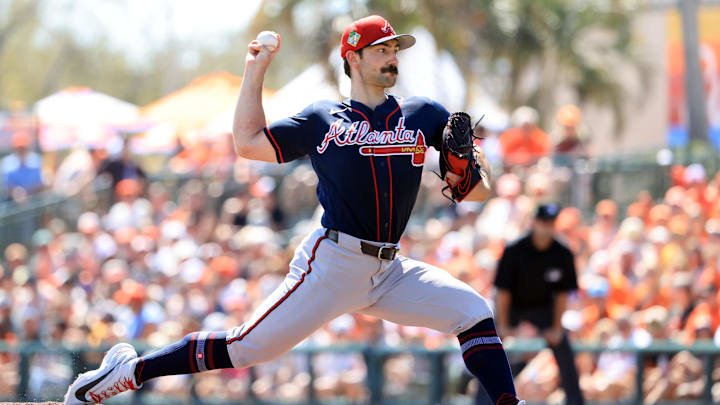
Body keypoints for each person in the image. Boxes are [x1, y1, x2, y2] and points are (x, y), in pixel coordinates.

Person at [64, 15, 525, 405]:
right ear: (354, 58)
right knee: (246, 348)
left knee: (473, 311)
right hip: (333, 263)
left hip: (390, 269)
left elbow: (477, 193)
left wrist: (467, 171)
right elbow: (248, 143)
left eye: (395, 48)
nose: (392, 56)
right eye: (381, 48)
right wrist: (255, 71)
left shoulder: (424, 113)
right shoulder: (324, 118)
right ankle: (133, 370)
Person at [492, 204, 584, 405]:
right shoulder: (514, 249)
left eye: (551, 223)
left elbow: (562, 294)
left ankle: (575, 401)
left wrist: (557, 328)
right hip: (513, 309)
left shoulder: (562, 252)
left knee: (564, 345)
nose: (546, 227)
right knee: (491, 346)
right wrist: (504, 326)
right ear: (534, 222)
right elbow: (503, 291)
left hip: (544, 311)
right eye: (543, 222)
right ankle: (484, 401)